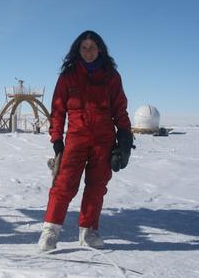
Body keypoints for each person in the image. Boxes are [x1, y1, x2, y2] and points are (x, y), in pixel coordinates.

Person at [38, 30, 133, 251]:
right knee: (63, 185)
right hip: (76, 138)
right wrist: (56, 140)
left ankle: (88, 232)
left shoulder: (111, 76)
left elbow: (120, 108)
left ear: (100, 49)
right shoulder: (68, 76)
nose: (88, 51)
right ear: (77, 50)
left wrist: (125, 139)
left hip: (104, 138)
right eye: (84, 47)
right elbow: (58, 110)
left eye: (92, 47)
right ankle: (50, 232)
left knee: (97, 186)